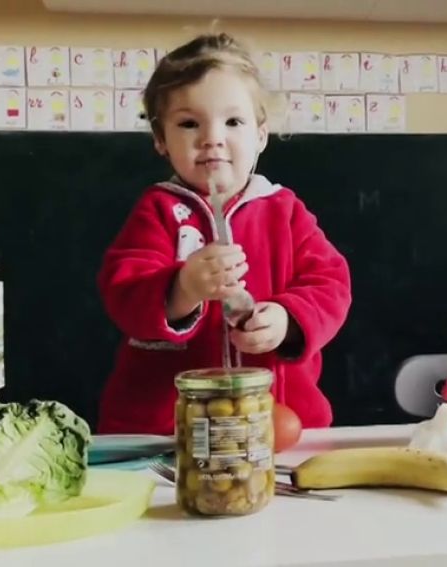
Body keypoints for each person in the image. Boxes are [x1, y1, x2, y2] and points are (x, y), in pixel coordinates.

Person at [96, 32, 352, 435]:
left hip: (276, 425)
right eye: (188, 123)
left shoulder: (285, 211)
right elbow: (122, 291)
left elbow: (331, 284)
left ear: (260, 135)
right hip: (169, 429)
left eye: (233, 121)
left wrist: (287, 319)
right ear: (161, 140)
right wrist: (182, 289)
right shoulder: (158, 211)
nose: (212, 137)